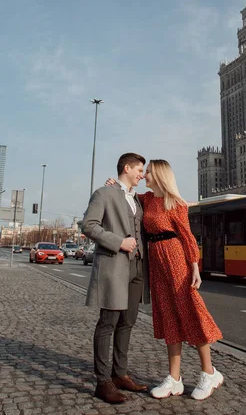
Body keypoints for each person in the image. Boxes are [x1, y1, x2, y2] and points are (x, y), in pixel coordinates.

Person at [107, 159, 223, 400]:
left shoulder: (175, 203)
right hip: (157, 264)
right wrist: (114, 185)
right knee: (169, 317)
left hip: (175, 258)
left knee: (190, 312)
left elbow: (187, 237)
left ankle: (209, 372)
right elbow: (127, 194)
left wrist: (194, 267)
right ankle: (174, 378)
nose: (144, 175)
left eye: (147, 171)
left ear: (159, 174)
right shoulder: (147, 200)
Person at [82, 152, 150, 404]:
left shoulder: (137, 200)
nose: (142, 175)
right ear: (127, 168)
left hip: (137, 268)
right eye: (139, 170)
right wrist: (118, 242)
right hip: (114, 266)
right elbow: (88, 225)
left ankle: (120, 373)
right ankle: (103, 382)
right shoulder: (104, 193)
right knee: (107, 322)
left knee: (128, 321)